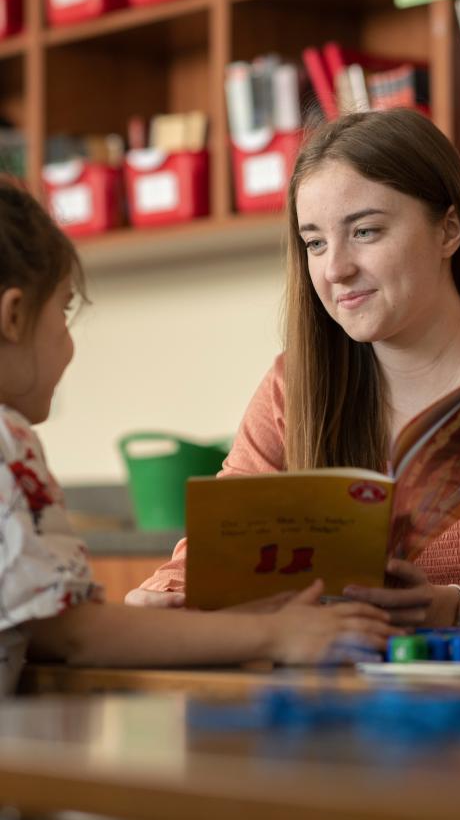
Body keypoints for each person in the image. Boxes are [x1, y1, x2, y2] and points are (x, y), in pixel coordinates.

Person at [129, 108, 460, 641]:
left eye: (366, 231)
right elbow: (213, 559)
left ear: (448, 230)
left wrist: (454, 608)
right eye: (315, 242)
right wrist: (162, 599)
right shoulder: (295, 383)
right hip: (336, 706)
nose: (335, 269)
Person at [0, 181, 395, 694]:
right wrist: (274, 634)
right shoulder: (10, 443)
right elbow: (71, 636)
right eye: (63, 310)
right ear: (13, 316)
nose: (68, 341)